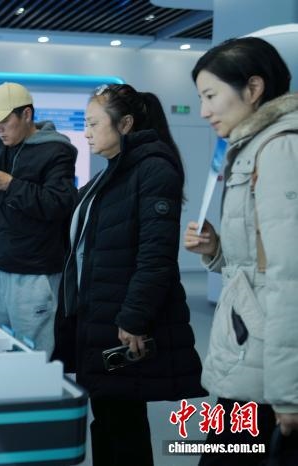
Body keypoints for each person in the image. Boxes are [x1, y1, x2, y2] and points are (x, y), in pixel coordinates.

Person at [55, 83, 206, 466]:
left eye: (93, 123)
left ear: (124, 123)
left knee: (123, 426)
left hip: (122, 321)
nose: (86, 133)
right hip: (99, 315)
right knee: (109, 419)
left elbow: (156, 256)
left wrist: (134, 318)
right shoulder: (113, 173)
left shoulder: (152, 170)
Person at [183, 37, 298, 465]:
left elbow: (290, 277)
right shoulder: (252, 147)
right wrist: (216, 250)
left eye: (211, 96)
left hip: (270, 366)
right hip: (253, 352)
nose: (203, 111)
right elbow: (256, 264)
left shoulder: (280, 148)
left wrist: (289, 393)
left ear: (253, 88)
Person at [0, 82, 77, 358]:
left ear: (26, 115)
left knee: (33, 354)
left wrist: (12, 185)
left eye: (4, 121)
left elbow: (60, 204)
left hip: (33, 273)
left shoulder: (56, 151)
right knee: (1, 348)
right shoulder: (0, 147)